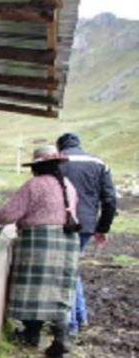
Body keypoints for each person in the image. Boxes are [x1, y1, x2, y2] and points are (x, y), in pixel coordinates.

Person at [0, 145, 80, 358]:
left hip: (39, 241)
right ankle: (61, 337)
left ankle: (31, 334)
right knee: (59, 287)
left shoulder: (34, 185)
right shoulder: (68, 186)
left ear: (37, 167)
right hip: (68, 241)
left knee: (34, 289)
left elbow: (9, 214)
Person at [56, 132, 118, 335]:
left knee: (66, 271)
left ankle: (70, 325)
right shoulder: (99, 163)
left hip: (63, 222)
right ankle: (81, 317)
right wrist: (102, 228)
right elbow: (110, 200)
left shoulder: (58, 161)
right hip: (87, 225)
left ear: (60, 147)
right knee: (72, 269)